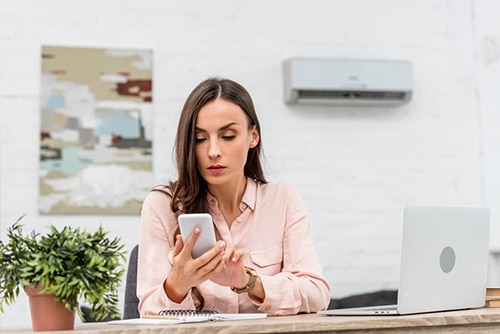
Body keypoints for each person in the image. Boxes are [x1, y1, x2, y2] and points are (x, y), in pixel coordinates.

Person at [137, 77, 330, 316]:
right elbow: (148, 311)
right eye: (200, 139)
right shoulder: (162, 206)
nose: (213, 152)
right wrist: (178, 284)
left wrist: (247, 282)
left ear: (253, 137)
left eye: (227, 136)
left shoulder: (284, 200)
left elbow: (317, 293)